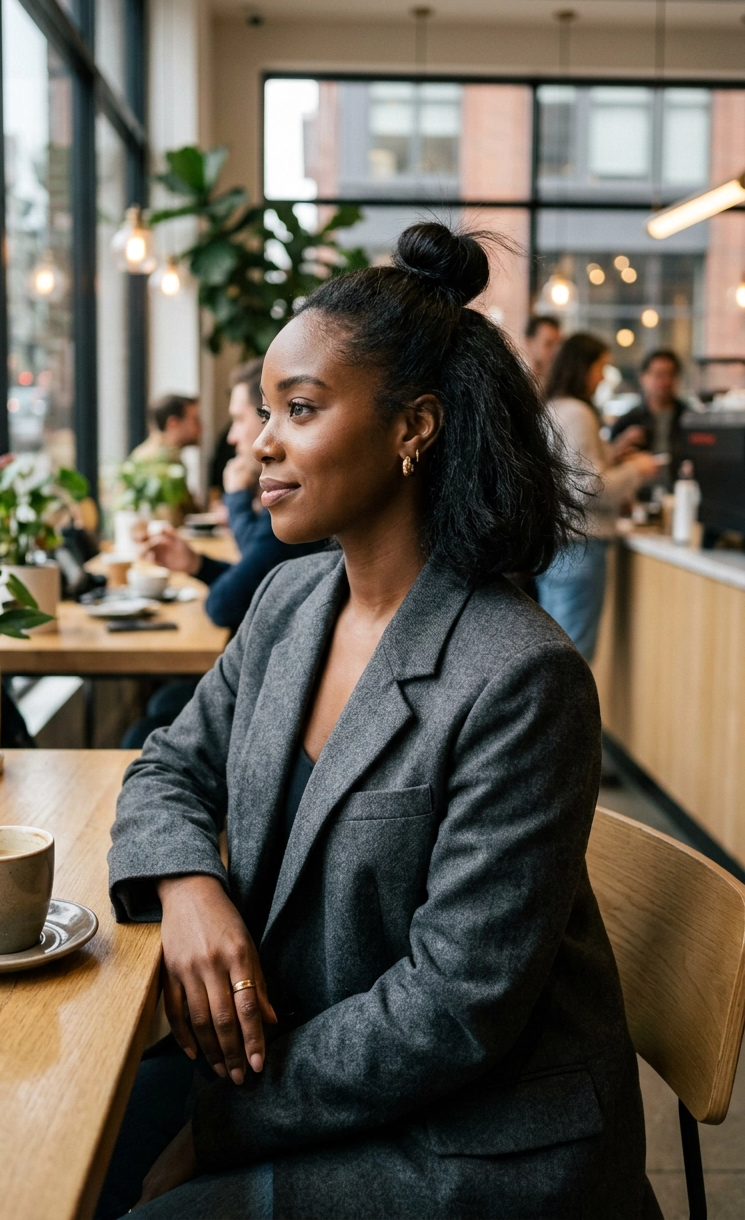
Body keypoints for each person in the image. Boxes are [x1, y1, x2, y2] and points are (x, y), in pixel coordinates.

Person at [101, 225, 659, 1220]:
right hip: (323, 1065)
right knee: (76, 1136)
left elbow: (452, 1010)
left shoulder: (522, 675)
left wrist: (226, 1121)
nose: (261, 440)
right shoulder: (290, 605)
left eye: (301, 409)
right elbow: (168, 763)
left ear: (415, 428)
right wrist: (188, 883)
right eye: (265, 409)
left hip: (475, 1146)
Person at [120, 359, 326, 748]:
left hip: (274, 696)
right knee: (163, 703)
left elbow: (232, 594)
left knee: (139, 732)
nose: (253, 440)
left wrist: (234, 498)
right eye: (265, 415)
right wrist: (196, 563)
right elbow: (260, 568)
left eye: (297, 411)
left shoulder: (304, 515)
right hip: (270, 681)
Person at [538, 332, 660, 662]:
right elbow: (590, 487)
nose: (604, 376)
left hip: (558, 548)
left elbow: (574, 472)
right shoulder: (578, 412)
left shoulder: (553, 408)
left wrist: (615, 455)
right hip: (580, 548)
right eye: (601, 367)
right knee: (572, 661)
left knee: (554, 656)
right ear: (583, 367)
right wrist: (638, 470)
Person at [610, 348, 687, 487]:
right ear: (643, 377)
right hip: (638, 492)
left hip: (680, 490)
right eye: (658, 375)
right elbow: (607, 464)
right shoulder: (629, 420)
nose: (665, 381)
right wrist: (623, 442)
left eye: (670, 374)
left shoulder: (688, 417)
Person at [130, 394, 203, 465]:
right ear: (173, 423)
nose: (201, 427)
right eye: (195, 420)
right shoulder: (150, 462)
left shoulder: (173, 458)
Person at [523, 312, 562, 386]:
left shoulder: (557, 384)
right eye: (549, 344)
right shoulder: (517, 379)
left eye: (558, 345)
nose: (555, 351)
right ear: (529, 343)